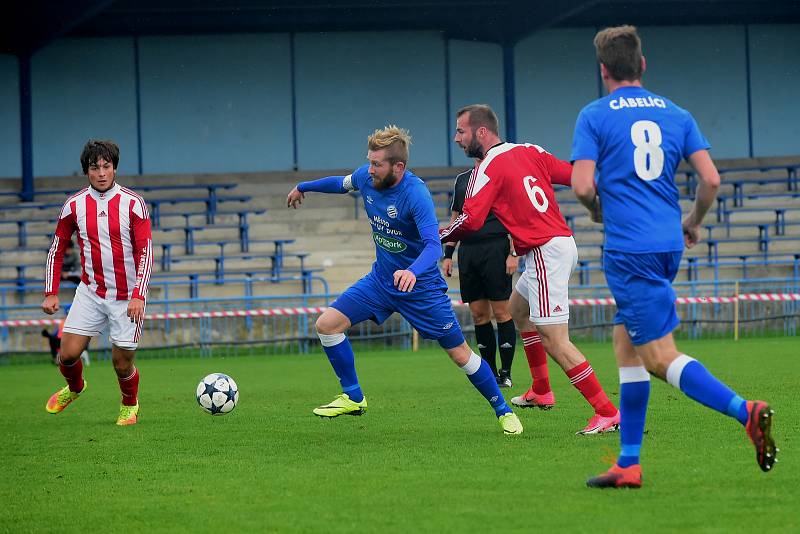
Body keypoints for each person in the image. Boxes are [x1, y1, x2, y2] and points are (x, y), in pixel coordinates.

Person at [571, 25, 777, 488]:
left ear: (603, 70)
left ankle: (745, 411)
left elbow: (583, 185)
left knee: (659, 357)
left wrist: (597, 210)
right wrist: (694, 221)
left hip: (629, 249)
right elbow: (711, 181)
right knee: (625, 343)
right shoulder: (676, 113)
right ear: (642, 66)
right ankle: (628, 463)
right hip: (665, 244)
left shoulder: (594, 115)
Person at [286, 125, 523, 435]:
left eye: (377, 164)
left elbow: (433, 245)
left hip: (421, 288)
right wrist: (304, 186)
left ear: (398, 166)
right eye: (369, 161)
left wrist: (412, 271)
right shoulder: (365, 178)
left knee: (461, 355)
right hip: (381, 282)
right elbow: (340, 183)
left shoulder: (415, 195)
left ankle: (503, 411)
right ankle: (354, 396)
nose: (369, 170)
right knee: (327, 325)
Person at [440, 104, 619, 435]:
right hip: (556, 245)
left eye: (460, 131)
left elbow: (473, 219)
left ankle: (607, 411)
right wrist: (601, 198)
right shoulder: (529, 149)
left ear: (481, 132)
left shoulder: (487, 169)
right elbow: (571, 175)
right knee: (518, 311)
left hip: (544, 251)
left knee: (555, 339)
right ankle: (541, 390)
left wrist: (441, 234)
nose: (456, 139)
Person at [42, 139, 153, 426]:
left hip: (128, 295)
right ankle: (76, 387)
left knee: (121, 363)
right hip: (90, 292)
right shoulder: (74, 206)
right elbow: (57, 247)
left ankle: (129, 404)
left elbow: (146, 252)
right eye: (95, 168)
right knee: (66, 355)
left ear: (115, 168)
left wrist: (139, 294)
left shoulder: (133, 204)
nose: (101, 173)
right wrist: (51, 292)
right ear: (86, 171)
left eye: (106, 166)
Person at [442, 161, 518, 388]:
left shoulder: (502, 175)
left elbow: (515, 216)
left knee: (502, 312)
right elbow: (456, 218)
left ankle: (506, 373)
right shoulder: (462, 180)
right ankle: (490, 373)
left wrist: (514, 252)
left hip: (496, 248)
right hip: (468, 251)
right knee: (478, 314)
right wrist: (448, 253)